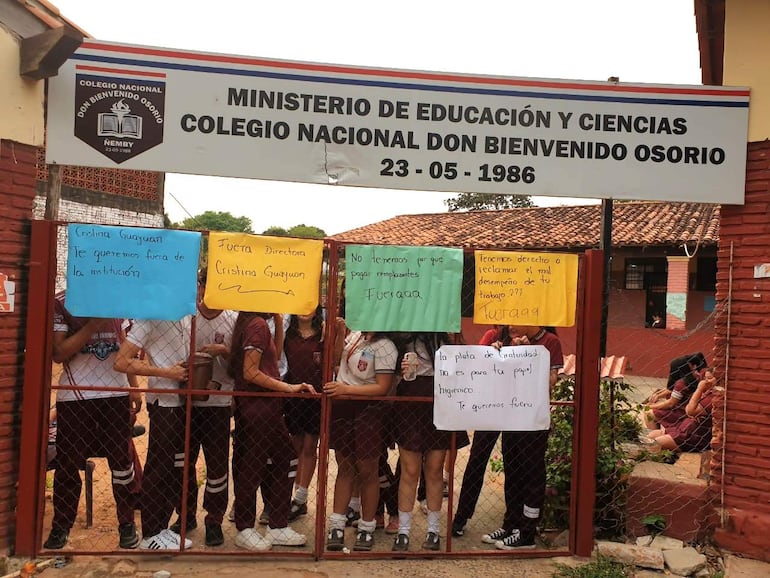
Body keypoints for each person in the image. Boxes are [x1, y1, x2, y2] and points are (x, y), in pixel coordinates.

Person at [44, 292, 140, 550]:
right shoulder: (63, 301)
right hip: (77, 394)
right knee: (68, 463)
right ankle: (61, 526)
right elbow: (59, 352)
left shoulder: (122, 300)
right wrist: (94, 325)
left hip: (115, 393)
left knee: (122, 462)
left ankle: (126, 524)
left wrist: (133, 388)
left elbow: (126, 349)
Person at [228, 311, 316, 551]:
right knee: (253, 465)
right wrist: (287, 387)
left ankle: (277, 524)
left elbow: (273, 358)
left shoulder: (256, 323)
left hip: (265, 406)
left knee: (284, 459)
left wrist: (277, 322)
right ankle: (245, 528)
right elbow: (250, 372)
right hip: (258, 407)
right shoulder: (256, 325)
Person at [113, 316, 191, 550]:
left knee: (171, 469)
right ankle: (150, 533)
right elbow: (121, 361)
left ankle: (162, 527)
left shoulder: (187, 317)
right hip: (163, 402)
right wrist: (166, 372)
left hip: (182, 401)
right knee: (158, 467)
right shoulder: (150, 320)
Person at [169, 271, 235, 547]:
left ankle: (214, 519)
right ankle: (185, 514)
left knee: (217, 464)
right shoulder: (186, 317)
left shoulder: (233, 319)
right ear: (200, 286)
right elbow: (173, 358)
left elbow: (242, 365)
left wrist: (225, 351)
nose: (211, 290)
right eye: (206, 284)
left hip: (219, 403)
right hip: (186, 401)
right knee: (183, 462)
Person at [483, 325, 564, 550]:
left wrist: (530, 356)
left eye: (515, 319)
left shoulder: (550, 342)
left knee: (532, 474)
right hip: (510, 416)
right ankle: (511, 524)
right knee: (513, 472)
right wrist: (497, 355)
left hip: (533, 420)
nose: (510, 326)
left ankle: (527, 532)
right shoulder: (511, 340)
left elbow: (551, 382)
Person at [324, 326, 398, 552]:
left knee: (368, 470)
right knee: (345, 466)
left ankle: (366, 527)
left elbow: (382, 388)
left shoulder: (386, 345)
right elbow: (336, 360)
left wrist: (347, 390)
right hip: (343, 406)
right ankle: (337, 524)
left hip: (368, 411)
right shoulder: (356, 335)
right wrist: (338, 334)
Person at [392, 332, 467, 552]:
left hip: (441, 399)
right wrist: (400, 369)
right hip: (410, 401)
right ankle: (403, 532)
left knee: (434, 470)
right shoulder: (403, 335)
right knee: (410, 469)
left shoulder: (448, 336)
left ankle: (433, 531)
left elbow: (464, 368)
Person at [451, 325, 514, 538]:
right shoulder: (493, 335)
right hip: (491, 407)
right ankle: (461, 515)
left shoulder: (537, 340)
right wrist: (490, 353)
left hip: (517, 409)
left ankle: (513, 521)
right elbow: (474, 365)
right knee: (477, 460)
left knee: (514, 463)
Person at [284, 306, 325, 522]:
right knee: (294, 446)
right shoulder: (287, 334)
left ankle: (300, 497)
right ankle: (288, 495)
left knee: (310, 447)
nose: (304, 310)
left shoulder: (323, 334)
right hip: (292, 396)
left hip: (315, 398)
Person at [645, 368, 716, 453]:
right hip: (684, 426)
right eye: (705, 378)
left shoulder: (712, 397)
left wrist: (699, 389)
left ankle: (664, 456)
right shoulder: (705, 390)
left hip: (693, 435)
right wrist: (658, 395)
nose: (706, 381)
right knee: (651, 436)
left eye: (709, 378)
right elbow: (670, 390)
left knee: (655, 443)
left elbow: (687, 409)